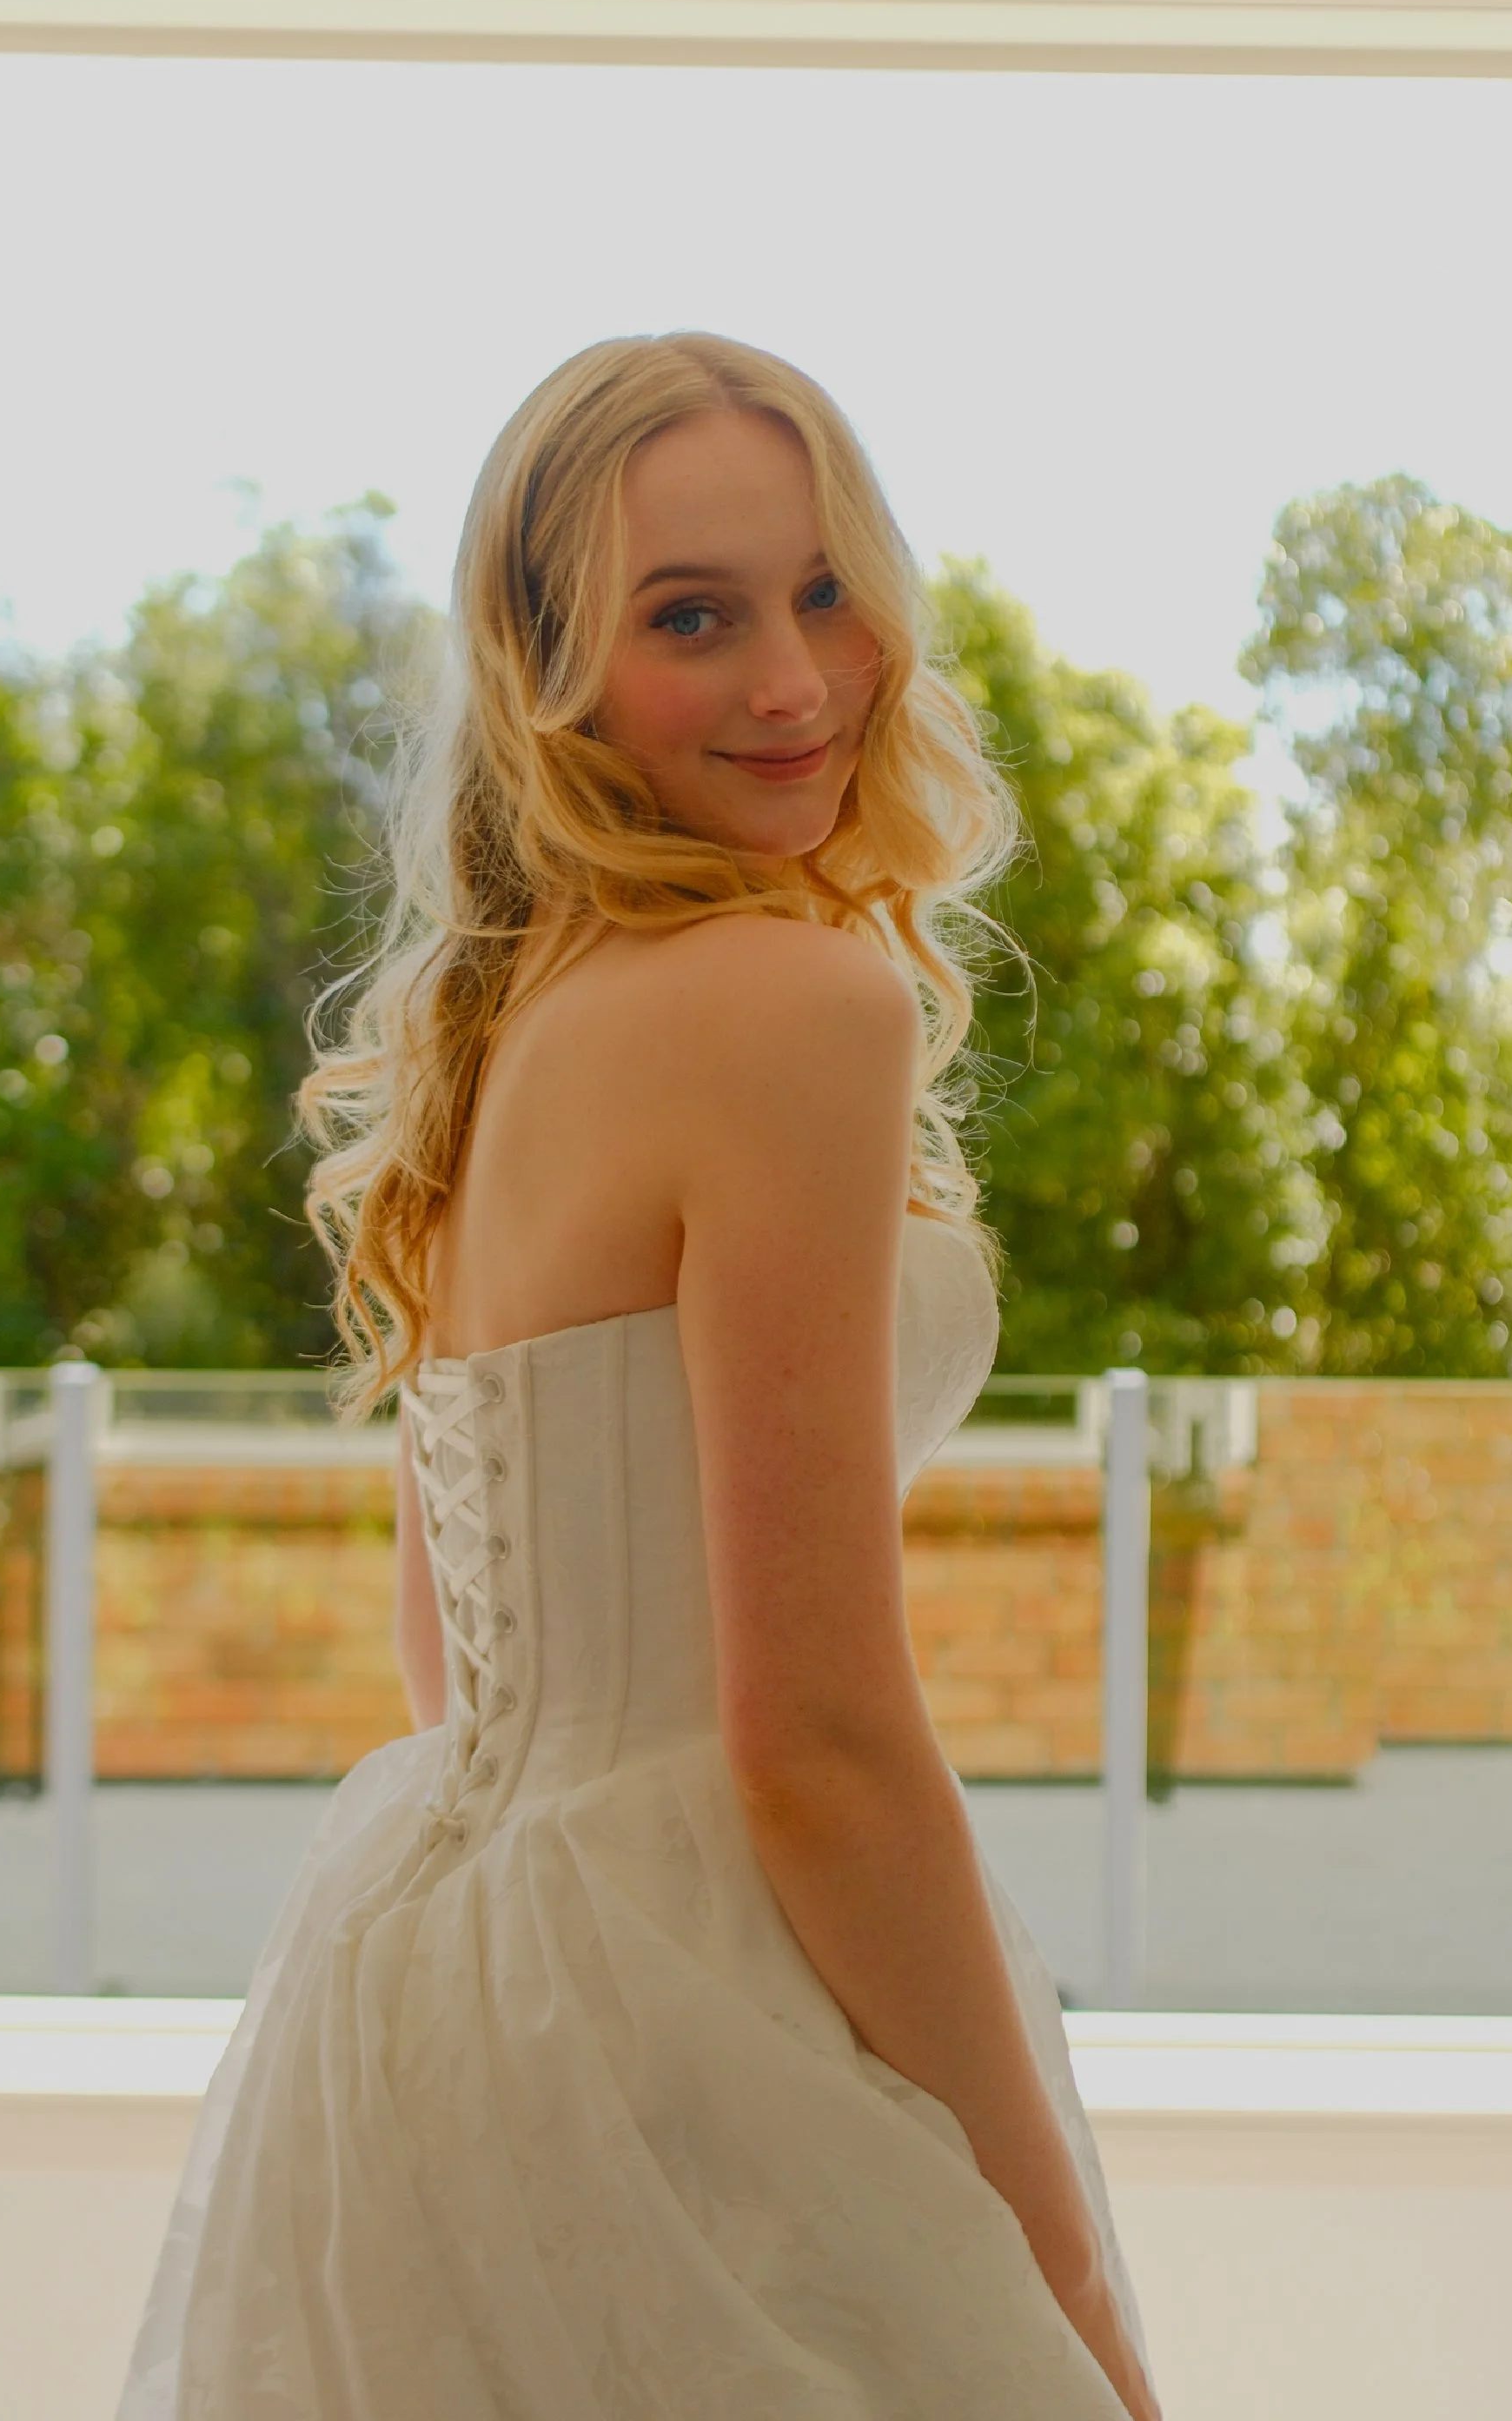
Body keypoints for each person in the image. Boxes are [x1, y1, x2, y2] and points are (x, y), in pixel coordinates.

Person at [116, 331, 1159, 2421]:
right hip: (702, 1999)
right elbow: (817, 1740)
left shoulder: (515, 1031)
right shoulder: (791, 1006)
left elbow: (453, 1655)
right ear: (549, 670)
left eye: (825, 591)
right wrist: (1074, 2303)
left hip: (428, 1983)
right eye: (694, 617)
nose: (794, 680)